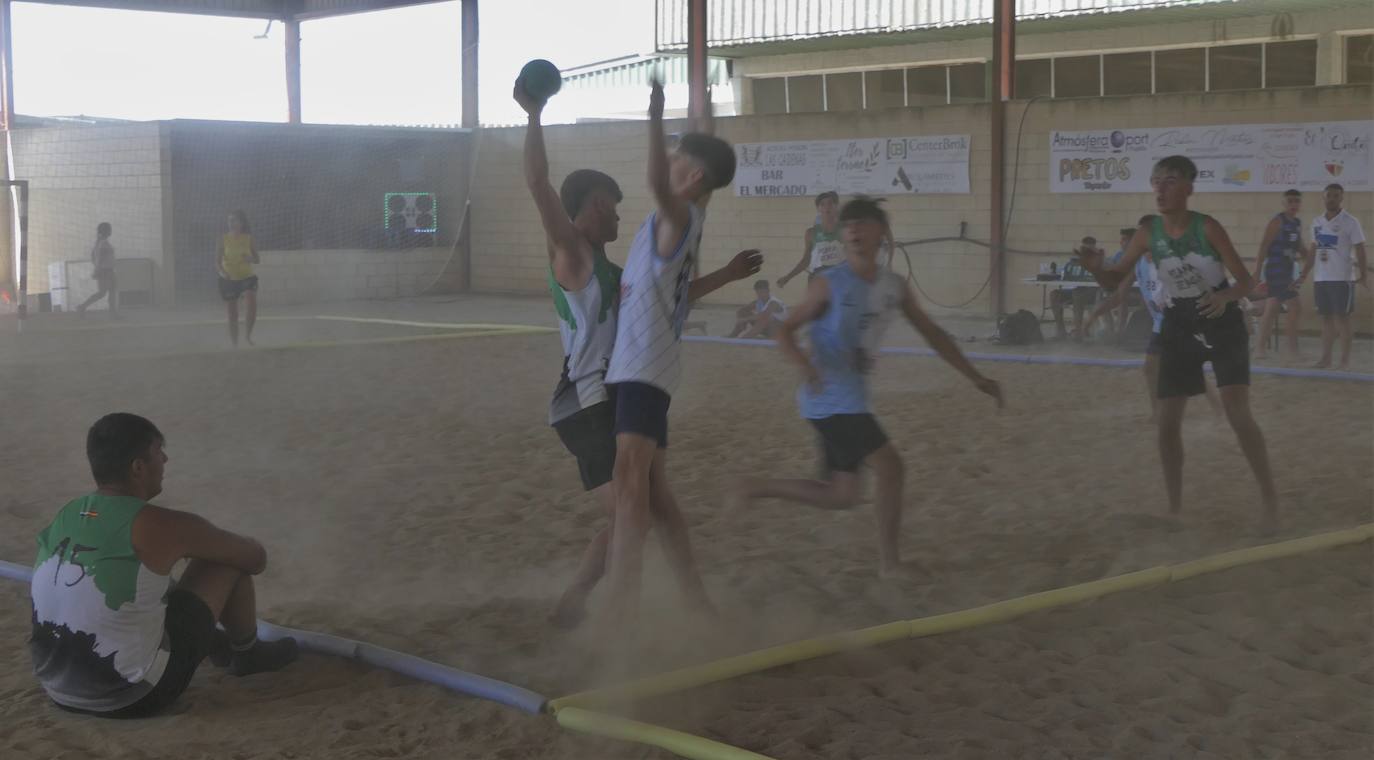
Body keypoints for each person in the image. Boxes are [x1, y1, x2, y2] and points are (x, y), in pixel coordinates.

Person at [733, 198, 1001, 577]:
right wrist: (806, 366)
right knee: (892, 468)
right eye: (849, 225)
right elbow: (787, 331)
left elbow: (933, 334)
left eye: (863, 223)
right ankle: (890, 564)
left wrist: (975, 376)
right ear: (842, 235)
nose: (854, 230)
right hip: (830, 399)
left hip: (850, 399)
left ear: (882, 233)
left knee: (842, 494)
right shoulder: (829, 283)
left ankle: (755, 487)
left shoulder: (894, 286)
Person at [599, 80, 763, 628]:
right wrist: (730, 274)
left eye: (677, 157)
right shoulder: (679, 225)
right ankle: (695, 600)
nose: (666, 162)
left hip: (644, 367)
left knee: (628, 486)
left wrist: (652, 115)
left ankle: (621, 610)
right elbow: (680, 293)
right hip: (647, 365)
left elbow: (657, 178)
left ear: (691, 178)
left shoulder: (677, 217)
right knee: (654, 493)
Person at [28, 413, 297, 719]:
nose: (165, 459)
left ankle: (217, 642)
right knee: (223, 562)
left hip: (57, 687)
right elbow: (254, 559)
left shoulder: (69, 513)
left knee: (139, 582)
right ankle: (248, 653)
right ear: (138, 467)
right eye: (158, 451)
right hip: (132, 696)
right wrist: (207, 539)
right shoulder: (162, 524)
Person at [1080, 155, 1278, 533]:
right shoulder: (1148, 232)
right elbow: (1113, 281)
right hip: (1178, 320)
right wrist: (1095, 269)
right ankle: (1175, 509)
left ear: (1189, 187)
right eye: (1156, 180)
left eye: (1170, 181)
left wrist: (1226, 298)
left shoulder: (1208, 228)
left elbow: (1246, 283)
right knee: (1167, 422)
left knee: (1238, 413)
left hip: (1222, 318)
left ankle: (1270, 502)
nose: (1160, 188)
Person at [514, 79, 625, 628]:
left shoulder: (609, 269)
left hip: (605, 400)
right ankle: (580, 604)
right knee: (632, 514)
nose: (619, 217)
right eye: (611, 207)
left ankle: (576, 602)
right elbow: (537, 182)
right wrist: (534, 114)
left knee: (636, 514)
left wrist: (723, 276)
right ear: (588, 210)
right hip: (584, 402)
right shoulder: (573, 253)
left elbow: (656, 300)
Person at [1108, 215, 1220, 421]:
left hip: (1177, 321)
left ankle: (1219, 411)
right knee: (1152, 368)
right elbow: (1121, 289)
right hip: (1161, 323)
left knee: (1184, 369)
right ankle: (1157, 412)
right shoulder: (1139, 262)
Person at [1304, 183, 1367, 370]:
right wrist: (1303, 273)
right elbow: (1313, 250)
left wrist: (1363, 275)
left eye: (1335, 196)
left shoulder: (1350, 221)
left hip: (1341, 278)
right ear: (1323, 197)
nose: (1331, 199)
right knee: (1325, 319)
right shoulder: (1316, 222)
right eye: (1328, 195)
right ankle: (1326, 358)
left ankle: (1344, 360)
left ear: (1341, 198)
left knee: (1342, 319)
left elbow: (1360, 249)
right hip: (1321, 278)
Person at [1252, 189, 1307, 361]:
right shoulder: (1277, 221)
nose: (1293, 204)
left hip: (1287, 271)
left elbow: (1301, 247)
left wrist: (1313, 258)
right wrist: (1256, 272)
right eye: (1290, 201)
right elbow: (1263, 246)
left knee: (1272, 308)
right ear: (1284, 203)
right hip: (1276, 271)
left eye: (1296, 201)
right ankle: (1291, 349)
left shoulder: (1297, 223)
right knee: (1295, 307)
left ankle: (1260, 348)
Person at [777, 191, 843, 288]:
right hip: (818, 278)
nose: (827, 207)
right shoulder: (811, 233)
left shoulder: (845, 230)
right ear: (818, 208)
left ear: (836, 206)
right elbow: (806, 260)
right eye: (823, 204)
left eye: (830, 203)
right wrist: (788, 277)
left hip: (839, 278)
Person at [1082, 229, 1137, 338]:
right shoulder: (1119, 255)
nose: (1121, 242)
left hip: (1138, 292)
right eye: (1121, 239)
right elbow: (1112, 272)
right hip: (1125, 290)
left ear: (1134, 241)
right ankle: (1111, 331)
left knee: (1122, 298)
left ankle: (1119, 333)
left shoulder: (1142, 258)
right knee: (1105, 296)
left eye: (1124, 239)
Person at [217, 211, 261, 347]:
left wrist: (250, 259)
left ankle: (248, 336)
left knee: (251, 302)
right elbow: (217, 262)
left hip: (247, 277)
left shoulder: (248, 238)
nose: (231, 223)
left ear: (241, 223)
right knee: (232, 313)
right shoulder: (222, 239)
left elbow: (257, 259)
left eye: (235, 220)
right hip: (229, 279)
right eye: (229, 220)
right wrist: (223, 273)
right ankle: (234, 343)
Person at [1050, 237, 1101, 339]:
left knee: (1077, 294)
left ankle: (1078, 332)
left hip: (1092, 292)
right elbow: (1066, 277)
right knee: (1054, 294)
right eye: (1084, 248)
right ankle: (1061, 331)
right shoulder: (1074, 262)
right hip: (1075, 289)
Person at [77, 222, 117, 316]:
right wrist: (97, 269)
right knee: (102, 293)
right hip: (105, 271)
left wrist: (97, 267)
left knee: (112, 291)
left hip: (109, 270)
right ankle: (82, 306)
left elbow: (93, 257)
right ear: (106, 231)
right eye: (109, 229)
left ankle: (113, 313)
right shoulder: (102, 243)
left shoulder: (101, 242)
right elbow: (99, 258)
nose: (111, 231)